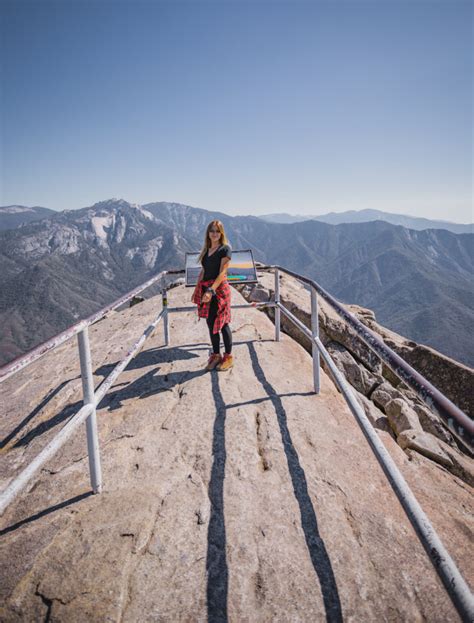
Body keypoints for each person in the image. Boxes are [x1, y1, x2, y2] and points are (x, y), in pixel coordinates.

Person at [191, 220, 233, 371]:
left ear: (221, 233)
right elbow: (204, 271)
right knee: (210, 322)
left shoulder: (225, 249)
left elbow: (223, 273)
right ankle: (216, 355)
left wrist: (211, 291)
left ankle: (228, 357)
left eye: (217, 231)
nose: (214, 233)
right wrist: (198, 289)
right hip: (207, 288)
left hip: (219, 290)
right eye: (212, 230)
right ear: (208, 233)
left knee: (223, 323)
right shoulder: (207, 250)